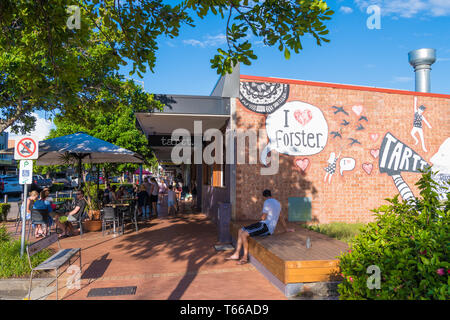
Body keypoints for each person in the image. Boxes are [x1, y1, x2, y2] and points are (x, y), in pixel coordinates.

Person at [225, 189, 294, 265]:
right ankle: (236, 254)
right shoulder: (278, 203)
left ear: (264, 197)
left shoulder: (267, 202)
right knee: (240, 230)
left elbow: (263, 217)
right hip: (263, 225)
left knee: (243, 234)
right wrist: (286, 228)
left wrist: (262, 217)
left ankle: (245, 257)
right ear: (271, 195)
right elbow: (281, 217)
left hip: (266, 227)